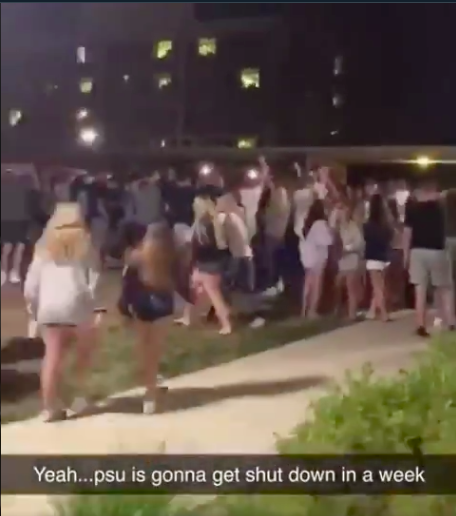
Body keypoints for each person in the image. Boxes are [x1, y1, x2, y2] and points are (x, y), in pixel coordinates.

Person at [23, 203, 100, 422]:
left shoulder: (43, 246)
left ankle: (49, 407)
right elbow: (94, 280)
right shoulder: (86, 244)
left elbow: (31, 285)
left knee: (52, 357)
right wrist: (95, 307)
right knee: (83, 354)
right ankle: (79, 400)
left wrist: (33, 309)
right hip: (77, 304)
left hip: (50, 306)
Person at [118, 223, 176, 414]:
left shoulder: (136, 256)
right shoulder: (171, 255)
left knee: (144, 347)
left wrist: (124, 309)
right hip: (164, 305)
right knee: (156, 349)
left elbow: (127, 284)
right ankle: (152, 388)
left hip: (142, 305)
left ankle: (149, 390)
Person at [403, 179, 454, 336]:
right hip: (437, 251)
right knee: (445, 288)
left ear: (421, 192)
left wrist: (406, 255)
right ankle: (451, 322)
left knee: (420, 290)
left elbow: (407, 234)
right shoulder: (441, 209)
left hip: (417, 252)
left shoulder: (412, 209)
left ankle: (421, 325)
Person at [175, 195, 232, 334]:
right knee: (194, 289)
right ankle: (186, 317)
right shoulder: (215, 222)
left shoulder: (201, 225)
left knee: (214, 296)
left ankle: (226, 325)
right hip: (213, 264)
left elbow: (198, 246)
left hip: (204, 265)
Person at [300, 199, 333, 318]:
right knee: (316, 284)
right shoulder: (320, 224)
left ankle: (304, 310)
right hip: (318, 257)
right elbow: (327, 241)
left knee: (308, 283)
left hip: (308, 257)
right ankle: (312, 311)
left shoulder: (309, 224)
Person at [1, 170, 35, 285]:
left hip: (12, 222)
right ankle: (10, 272)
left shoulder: (22, 191)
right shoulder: (23, 190)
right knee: (15, 248)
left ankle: (7, 272)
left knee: (10, 248)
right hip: (16, 222)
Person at [363, 194, 392, 322]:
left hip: (372, 257)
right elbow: (390, 238)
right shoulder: (386, 225)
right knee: (381, 285)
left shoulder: (367, 225)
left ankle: (384, 314)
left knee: (377, 287)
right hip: (384, 256)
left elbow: (366, 239)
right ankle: (372, 311)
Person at [334, 201, 364, 320]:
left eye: (344, 211)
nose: (342, 213)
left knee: (351, 286)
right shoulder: (339, 227)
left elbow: (359, 243)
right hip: (342, 261)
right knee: (338, 284)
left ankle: (352, 314)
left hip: (351, 259)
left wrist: (348, 249)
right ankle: (340, 309)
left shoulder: (353, 226)